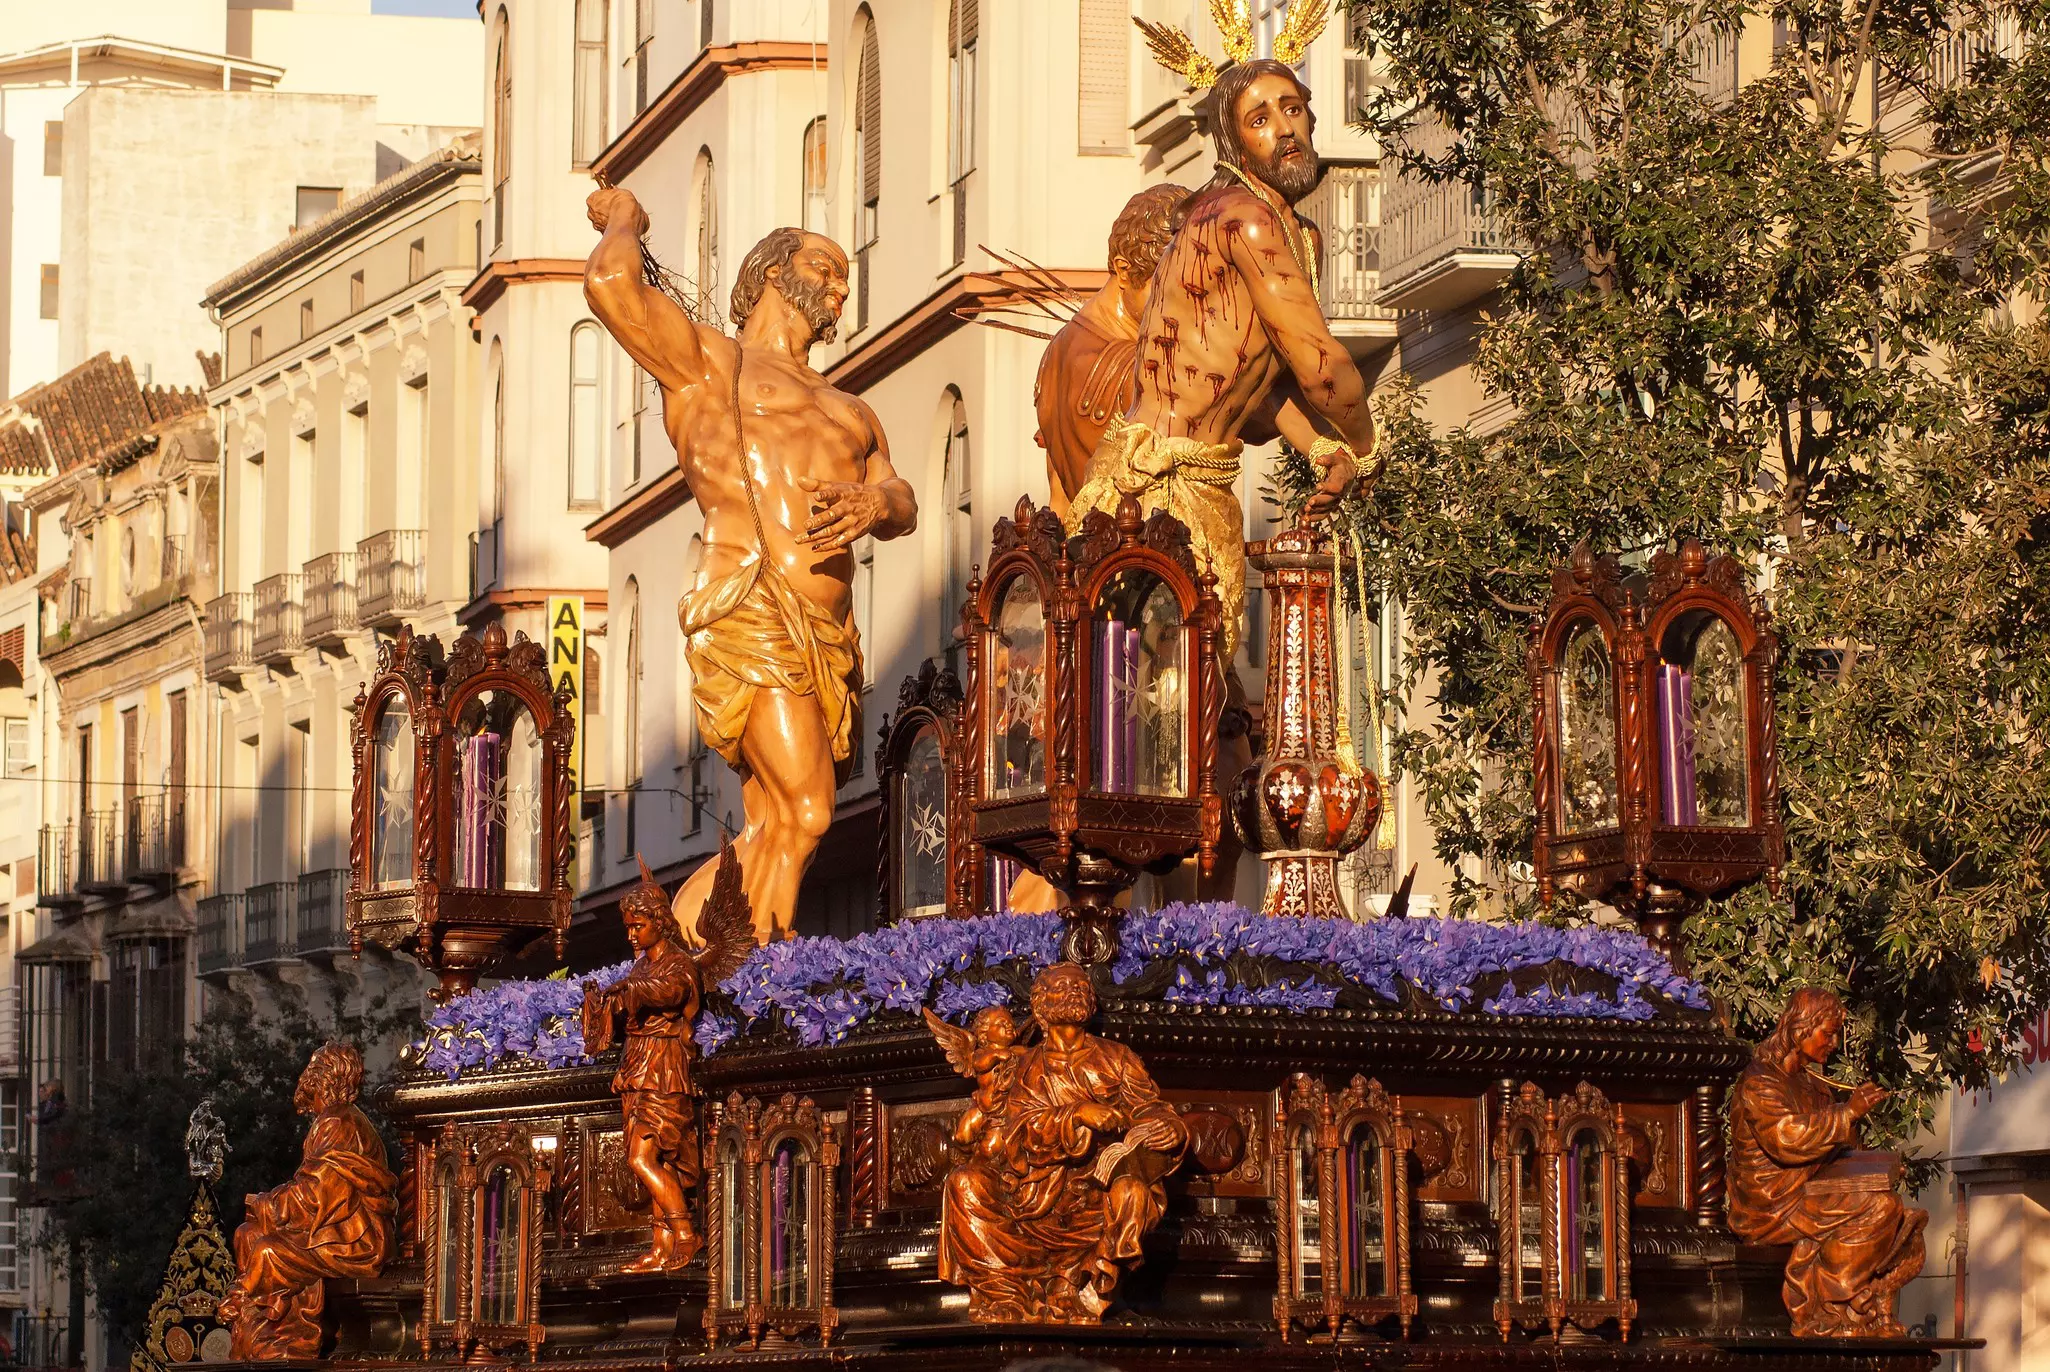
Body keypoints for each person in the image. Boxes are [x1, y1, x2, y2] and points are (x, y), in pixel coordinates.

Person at [584, 192, 918, 943]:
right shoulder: (709, 363)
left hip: (827, 635)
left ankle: (691, 966)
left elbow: (904, 499)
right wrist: (628, 219)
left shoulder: (850, 407)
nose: (839, 286)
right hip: (751, 599)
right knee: (808, 810)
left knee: (775, 820)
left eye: (843, 277)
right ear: (771, 271)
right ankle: (751, 979)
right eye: (823, 267)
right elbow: (610, 288)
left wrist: (874, 503)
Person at [1067, 57, 1373, 656]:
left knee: (1202, 699)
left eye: (1292, 109)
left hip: (1206, 482)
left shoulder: (1295, 233)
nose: (1285, 128)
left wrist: (1323, 448)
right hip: (1152, 488)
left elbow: (1258, 380)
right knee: (1156, 703)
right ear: (1234, 141)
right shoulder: (1241, 217)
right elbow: (1321, 365)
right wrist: (1365, 448)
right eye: (1260, 118)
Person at [936, 965, 1187, 1323]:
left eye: (1082, 986)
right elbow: (1017, 1132)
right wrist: (1077, 1114)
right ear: (1039, 1008)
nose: (1074, 992)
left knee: (1132, 1192)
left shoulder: (1117, 1058)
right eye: (1061, 987)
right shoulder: (1025, 1067)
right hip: (1033, 1186)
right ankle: (1006, 1294)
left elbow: (1149, 1108)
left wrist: (1170, 1127)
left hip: (1095, 1188)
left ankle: (1084, 1287)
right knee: (964, 1185)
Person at [1727, 988, 1928, 1336]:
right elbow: (1785, 1138)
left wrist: (1878, 1167)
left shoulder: (1813, 1085)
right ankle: (1831, 1307)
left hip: (1810, 1193)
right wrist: (1846, 1112)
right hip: (1773, 1204)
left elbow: (1835, 1151)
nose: (1834, 1043)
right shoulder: (1760, 1081)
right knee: (1880, 1209)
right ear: (1801, 1028)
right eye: (1829, 1032)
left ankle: (1857, 1306)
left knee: (1894, 1209)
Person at [218, 1043, 396, 1360]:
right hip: (333, 1229)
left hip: (353, 1240)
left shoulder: (338, 1124)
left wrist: (265, 1204)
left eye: (312, 1071)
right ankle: (266, 1329)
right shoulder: (332, 1120)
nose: (305, 1079)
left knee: (269, 1250)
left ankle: (281, 1334)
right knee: (247, 1233)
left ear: (322, 1078)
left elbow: (317, 1194)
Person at [1034, 184, 1190, 517]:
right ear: (1123, 270)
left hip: (1084, 557)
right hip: (1139, 556)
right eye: (1166, 291)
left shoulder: (1056, 352)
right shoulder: (1140, 365)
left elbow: (1058, 499)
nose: (1182, 309)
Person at [582, 859, 703, 1273]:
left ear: (659, 922)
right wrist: (606, 1005)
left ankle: (686, 1233)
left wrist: (630, 988)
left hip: (664, 1064)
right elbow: (630, 1005)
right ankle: (662, 1243)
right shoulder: (641, 966)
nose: (632, 935)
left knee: (643, 1157)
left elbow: (671, 992)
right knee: (655, 1160)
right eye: (629, 928)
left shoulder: (676, 963)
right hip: (636, 1064)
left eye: (639, 926)